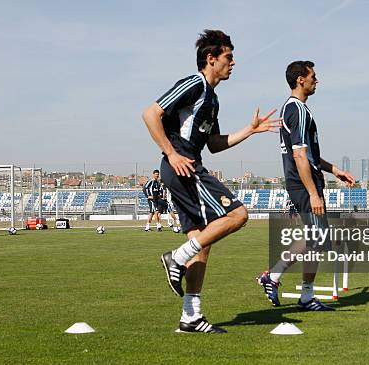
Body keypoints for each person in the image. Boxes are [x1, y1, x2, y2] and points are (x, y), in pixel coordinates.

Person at [142, 29, 281, 333]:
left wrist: (250, 129)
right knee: (239, 214)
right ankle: (175, 257)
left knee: (201, 243)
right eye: (228, 57)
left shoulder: (212, 99)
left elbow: (215, 144)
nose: (233, 63)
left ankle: (191, 316)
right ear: (211, 59)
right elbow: (150, 113)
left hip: (185, 165)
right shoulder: (194, 84)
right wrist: (171, 153)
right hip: (184, 166)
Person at [257, 61, 355, 311]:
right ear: (300, 79)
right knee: (318, 238)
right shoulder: (296, 109)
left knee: (317, 239)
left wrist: (336, 171)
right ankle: (283, 281)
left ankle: (292, 288)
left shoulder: (298, 110)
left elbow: (309, 155)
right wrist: (313, 193)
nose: (317, 80)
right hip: (303, 185)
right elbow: (300, 156)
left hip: (304, 182)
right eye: (313, 76)